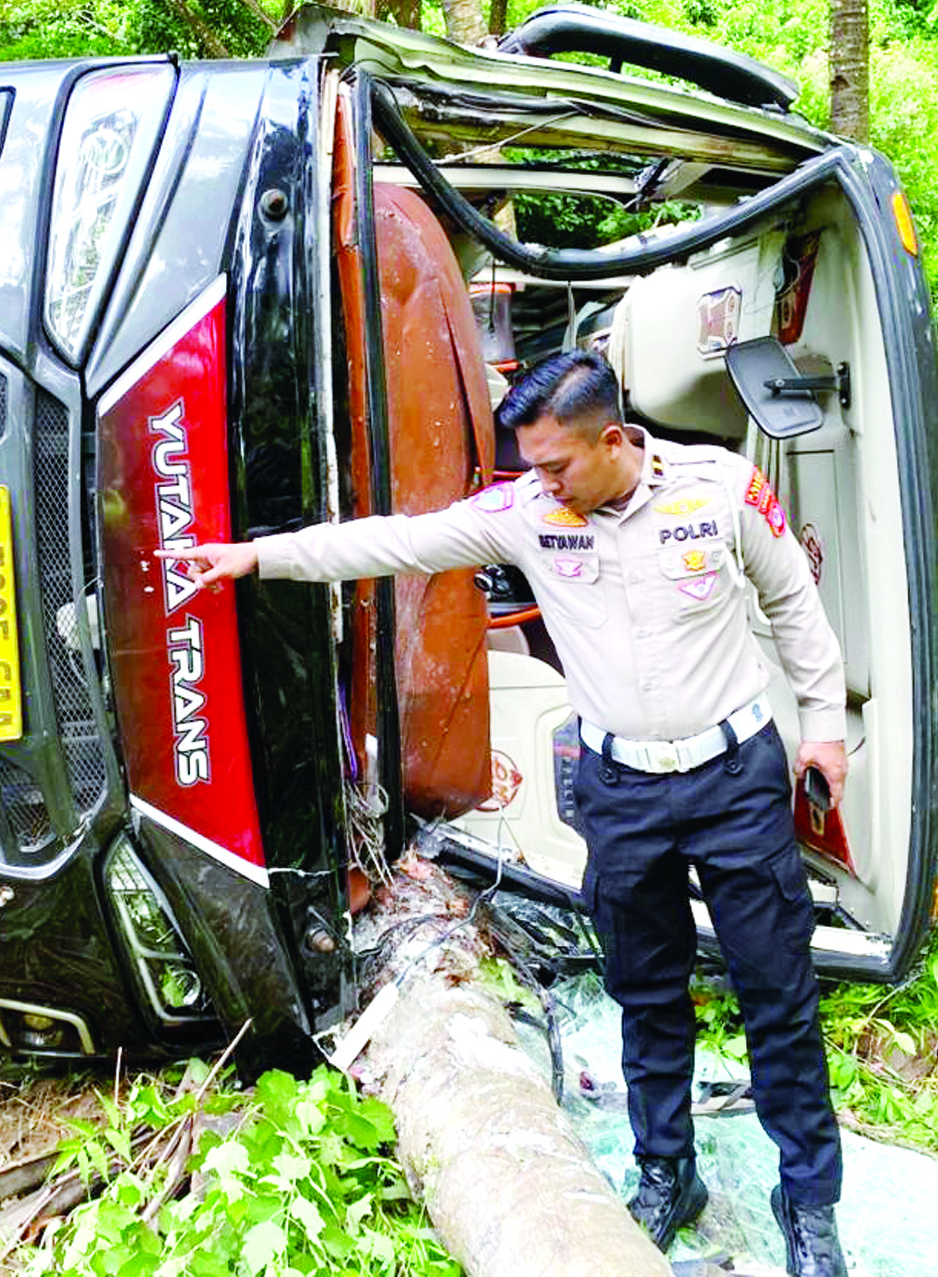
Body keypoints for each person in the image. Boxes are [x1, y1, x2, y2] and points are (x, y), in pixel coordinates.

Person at [157, 349, 851, 1274]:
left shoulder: (718, 489)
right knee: (645, 996)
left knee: (777, 998)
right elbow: (397, 541)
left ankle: (807, 1202)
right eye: (529, 466)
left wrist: (824, 728)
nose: (541, 485)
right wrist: (255, 558)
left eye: (557, 464)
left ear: (613, 440)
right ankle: (664, 1170)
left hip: (735, 781)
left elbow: (794, 604)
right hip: (622, 792)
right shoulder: (529, 514)